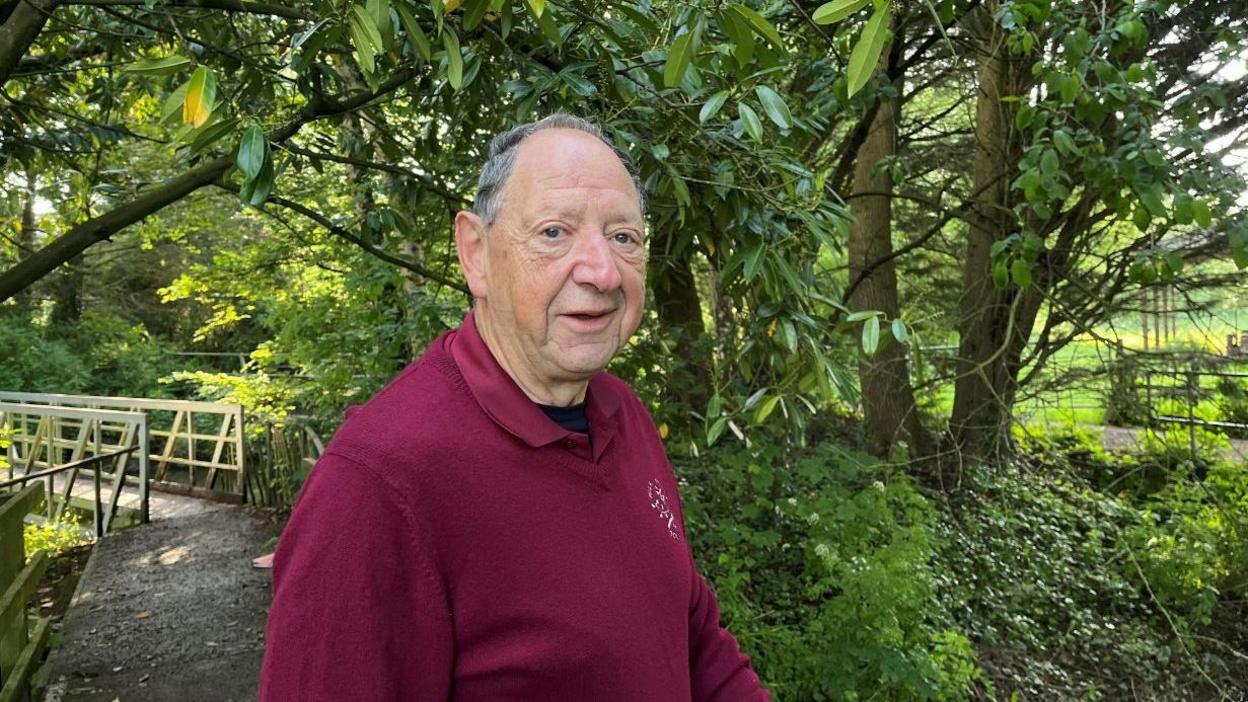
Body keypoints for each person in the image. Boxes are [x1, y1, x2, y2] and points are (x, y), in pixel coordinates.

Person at [258, 113, 770, 701]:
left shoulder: (620, 412)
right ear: (475, 253)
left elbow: (693, 633)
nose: (602, 271)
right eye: (554, 232)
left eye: (623, 237)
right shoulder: (378, 485)